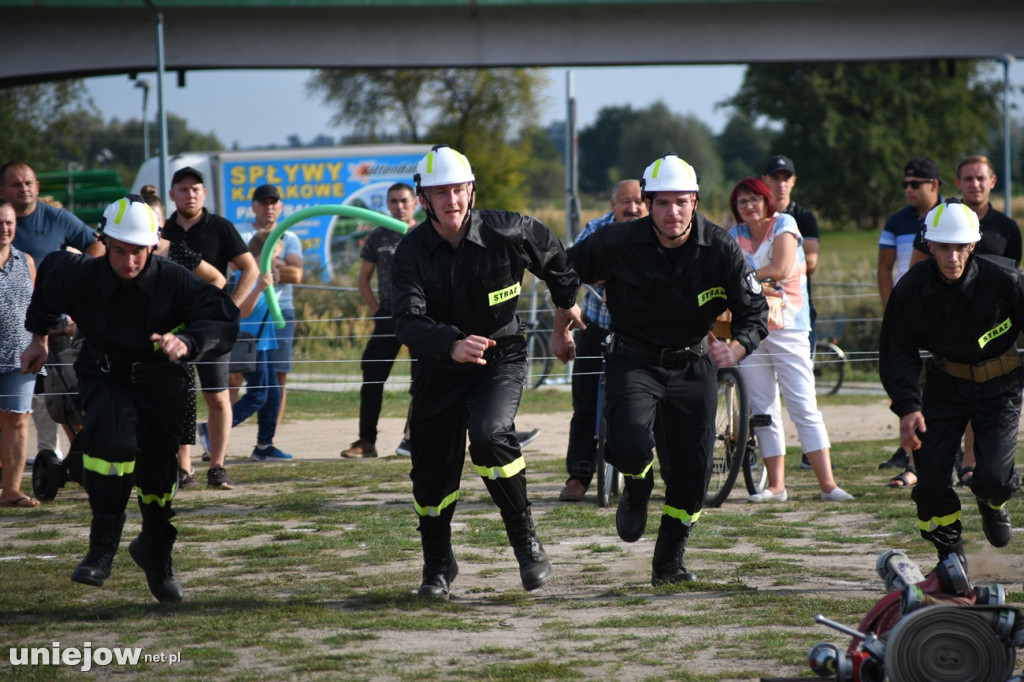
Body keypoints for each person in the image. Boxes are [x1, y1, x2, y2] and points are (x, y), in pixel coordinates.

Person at [20, 196, 239, 602]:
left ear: (153, 246)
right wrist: (39, 341)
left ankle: (157, 555)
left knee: (160, 479)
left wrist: (188, 341)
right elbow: (48, 284)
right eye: (119, 250)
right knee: (113, 449)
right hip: (105, 376)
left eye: (138, 251)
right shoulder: (79, 273)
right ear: (104, 241)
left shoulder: (175, 280)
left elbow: (222, 315)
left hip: (162, 383)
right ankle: (101, 550)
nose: (129, 261)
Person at [566, 154, 768, 585]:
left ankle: (669, 561)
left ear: (695, 202)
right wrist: (566, 310)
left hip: (694, 365)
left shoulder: (720, 248)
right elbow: (564, 269)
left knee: (692, 474)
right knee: (627, 444)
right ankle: (638, 484)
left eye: (681, 202)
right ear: (648, 202)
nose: (672, 212)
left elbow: (755, 311)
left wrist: (738, 347)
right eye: (661, 203)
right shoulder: (616, 241)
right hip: (633, 359)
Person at [391, 145, 582, 599]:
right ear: (423, 198)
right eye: (440, 193)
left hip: (502, 357)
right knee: (431, 469)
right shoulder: (410, 252)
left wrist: (565, 306)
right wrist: (451, 344)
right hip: (439, 367)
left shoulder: (510, 230)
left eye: (458, 190)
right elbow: (406, 321)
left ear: (471, 191)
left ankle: (527, 543)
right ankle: (437, 564)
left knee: (490, 434)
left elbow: (557, 261)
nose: (451, 200)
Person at [879, 202, 1023, 574]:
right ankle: (950, 556)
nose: (952, 256)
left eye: (960, 247)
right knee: (928, 483)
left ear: (973, 246)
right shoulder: (911, 288)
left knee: (993, 479)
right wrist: (909, 406)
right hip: (944, 387)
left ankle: (992, 503)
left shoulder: (1004, 280)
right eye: (944, 247)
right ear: (929, 245)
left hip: (1000, 386)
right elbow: (897, 349)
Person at [727, 178, 853, 503]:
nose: (748, 206)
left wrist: (745, 279)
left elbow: (781, 268)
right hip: (750, 327)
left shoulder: (785, 223)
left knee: (803, 405)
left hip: (790, 325)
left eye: (754, 199)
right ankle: (776, 486)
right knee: (763, 407)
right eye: (741, 202)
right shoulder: (734, 235)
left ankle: (828, 485)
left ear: (766, 200)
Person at [908, 156, 1022, 487]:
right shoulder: (937, 222)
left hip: (994, 352)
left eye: (980, 178)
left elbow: (1013, 283)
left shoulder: (1007, 228)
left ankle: (977, 469)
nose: (952, 254)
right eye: (968, 178)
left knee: (993, 470)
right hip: (949, 360)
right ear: (957, 182)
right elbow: (917, 274)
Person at [0, 161, 104, 467]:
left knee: (68, 399)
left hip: (54, 326)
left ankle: (84, 461)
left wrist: (77, 291)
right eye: (17, 184)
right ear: (3, 190)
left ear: (37, 187)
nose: (25, 189)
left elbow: (96, 249)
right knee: (19, 410)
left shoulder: (57, 218)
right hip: (9, 335)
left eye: (29, 183)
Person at [163, 166, 258, 490]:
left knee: (217, 397)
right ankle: (183, 467)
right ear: (172, 194)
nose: (190, 193)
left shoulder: (220, 227)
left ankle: (217, 466)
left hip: (211, 326)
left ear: (204, 194)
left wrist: (232, 305)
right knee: (178, 396)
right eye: (183, 188)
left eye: (196, 188)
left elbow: (250, 268)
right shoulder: (163, 231)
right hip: (173, 327)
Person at [559, 179, 647, 502]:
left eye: (639, 201)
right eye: (625, 201)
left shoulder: (658, 231)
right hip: (597, 326)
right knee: (584, 402)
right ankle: (578, 477)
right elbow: (565, 277)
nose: (633, 207)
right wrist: (561, 330)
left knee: (655, 404)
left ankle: (666, 476)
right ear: (612, 206)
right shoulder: (595, 230)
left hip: (643, 331)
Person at [141, 184, 227, 487]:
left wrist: (196, 314)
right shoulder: (121, 253)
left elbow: (217, 278)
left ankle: (192, 467)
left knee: (187, 398)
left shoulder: (174, 250)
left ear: (162, 222)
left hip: (179, 340)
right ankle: (170, 466)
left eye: (154, 220)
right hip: (141, 340)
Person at [876, 157, 944, 475]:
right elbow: (884, 268)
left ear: (934, 185)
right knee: (910, 390)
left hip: (947, 318)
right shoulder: (896, 221)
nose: (908, 189)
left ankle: (961, 458)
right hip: (911, 315)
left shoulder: (951, 216)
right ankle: (913, 463)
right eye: (905, 184)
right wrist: (895, 311)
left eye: (915, 184)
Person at [342, 182, 419, 459]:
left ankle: (413, 439)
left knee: (422, 379)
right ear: (387, 205)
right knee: (372, 377)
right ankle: (366, 442)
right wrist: (375, 307)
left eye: (403, 201)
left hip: (421, 316)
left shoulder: (424, 232)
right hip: (388, 314)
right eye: (393, 201)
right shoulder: (378, 235)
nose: (399, 206)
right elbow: (363, 278)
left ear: (416, 203)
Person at [232, 184, 303, 433]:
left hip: (281, 311)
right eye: (264, 202)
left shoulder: (289, 236)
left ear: (280, 206)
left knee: (276, 377)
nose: (269, 207)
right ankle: (220, 434)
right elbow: (234, 268)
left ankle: (268, 439)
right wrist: (264, 272)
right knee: (236, 377)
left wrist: (272, 269)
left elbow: (296, 274)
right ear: (254, 206)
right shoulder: (241, 235)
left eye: (274, 202)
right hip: (249, 316)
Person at [228, 233, 292, 460]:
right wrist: (259, 288)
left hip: (265, 343)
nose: (277, 262)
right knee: (258, 395)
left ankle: (264, 445)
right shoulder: (246, 276)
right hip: (252, 345)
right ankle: (216, 429)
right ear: (262, 255)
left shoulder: (263, 276)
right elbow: (244, 311)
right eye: (275, 257)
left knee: (272, 394)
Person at [0, 199, 40, 508]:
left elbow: (38, 308)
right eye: (0, 222)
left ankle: (12, 490)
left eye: (9, 222)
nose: (4, 228)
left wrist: (42, 343)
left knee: (18, 420)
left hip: (20, 354)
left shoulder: (25, 261)